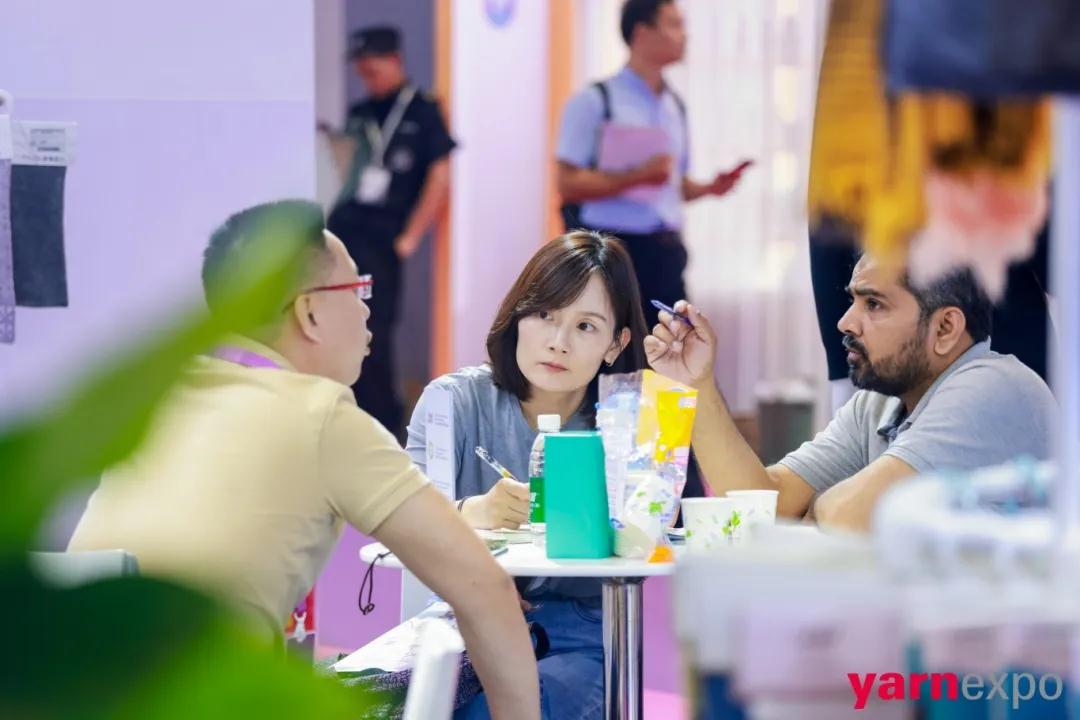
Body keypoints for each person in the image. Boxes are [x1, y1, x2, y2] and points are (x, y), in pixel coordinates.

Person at [69, 201, 539, 720]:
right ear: (310, 312)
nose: (367, 310)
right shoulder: (320, 414)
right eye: (357, 290)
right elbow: (484, 588)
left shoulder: (158, 400)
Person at [405, 231, 650, 720]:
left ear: (616, 344)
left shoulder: (627, 420)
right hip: (464, 619)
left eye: (585, 326)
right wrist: (471, 513)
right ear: (518, 315)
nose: (558, 342)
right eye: (544, 315)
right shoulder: (453, 403)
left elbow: (651, 535)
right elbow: (402, 520)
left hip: (579, 632)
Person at [644, 253, 1056, 532]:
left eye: (874, 304)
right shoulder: (882, 400)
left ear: (945, 328)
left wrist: (812, 509)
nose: (845, 322)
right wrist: (697, 384)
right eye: (853, 301)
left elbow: (848, 519)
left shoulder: (994, 387)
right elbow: (762, 505)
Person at [556, 0, 751, 331]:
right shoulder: (595, 101)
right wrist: (637, 176)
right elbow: (567, 183)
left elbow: (673, 185)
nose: (684, 35)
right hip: (609, 254)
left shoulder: (675, 106)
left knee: (675, 350)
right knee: (609, 351)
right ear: (641, 32)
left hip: (665, 255)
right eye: (673, 24)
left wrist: (709, 188)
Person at [323, 25, 456, 438]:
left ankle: (384, 422)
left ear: (394, 60)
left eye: (373, 68)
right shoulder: (361, 114)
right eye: (362, 71)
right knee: (337, 323)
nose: (368, 77)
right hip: (346, 232)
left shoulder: (422, 111)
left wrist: (410, 237)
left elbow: (439, 177)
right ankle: (347, 414)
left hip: (384, 241)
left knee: (375, 331)